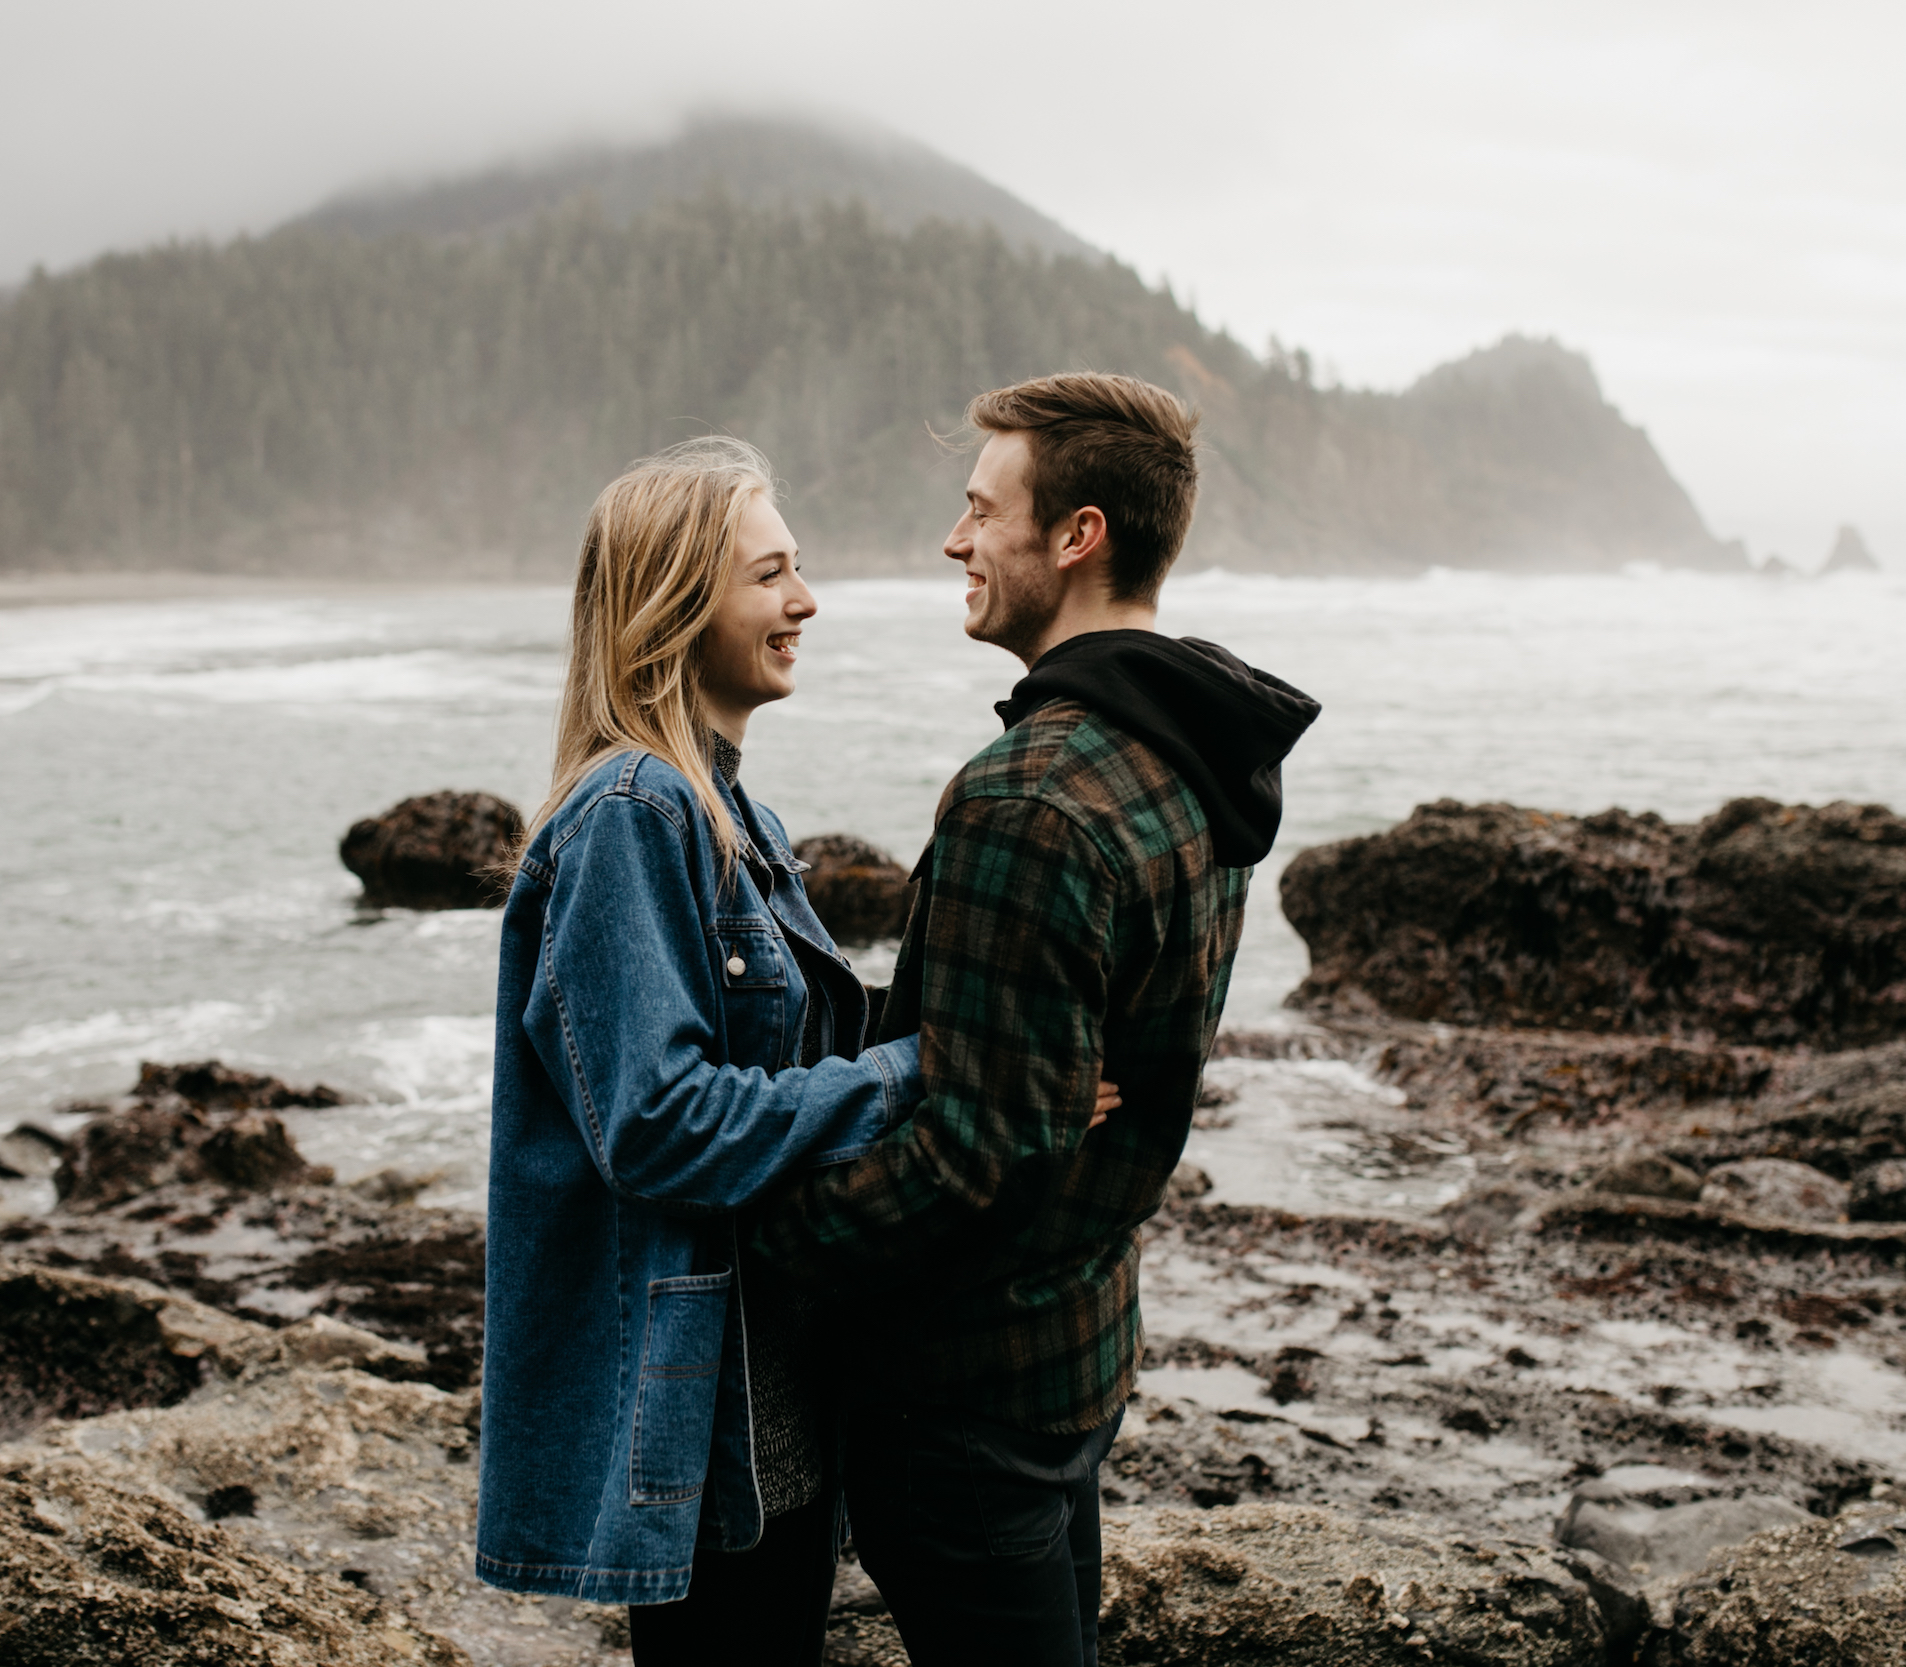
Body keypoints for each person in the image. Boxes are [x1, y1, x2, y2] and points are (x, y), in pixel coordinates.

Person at [751, 373, 1320, 1665]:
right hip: (1082, 1341)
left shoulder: (1031, 793)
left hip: (963, 1396)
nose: (955, 539)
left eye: (979, 507)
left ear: (1078, 534)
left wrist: (760, 1232)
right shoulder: (1195, 753)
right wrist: (1015, 1080)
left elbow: (972, 1154)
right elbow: (1045, 1078)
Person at [473, 437, 922, 1663]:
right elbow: (657, 1120)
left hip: (766, 1388)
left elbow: (780, 1059)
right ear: (677, 602)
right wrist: (915, 1076)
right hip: (706, 1404)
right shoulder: (633, 812)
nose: (805, 601)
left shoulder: (731, 812)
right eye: (771, 574)